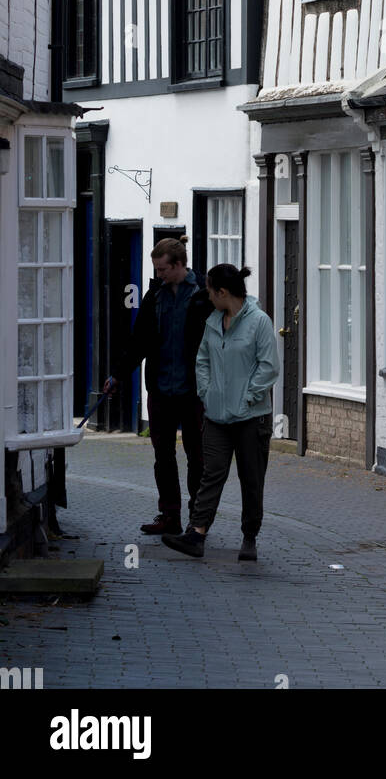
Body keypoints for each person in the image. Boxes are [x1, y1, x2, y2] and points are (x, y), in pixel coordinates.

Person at [161, 264, 280, 563]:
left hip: (252, 418)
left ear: (223, 292)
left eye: (211, 292)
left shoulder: (259, 323)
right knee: (211, 474)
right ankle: (196, 533)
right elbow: (202, 359)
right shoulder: (213, 322)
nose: (208, 298)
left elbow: (269, 367)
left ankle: (249, 537)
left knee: (251, 478)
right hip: (215, 416)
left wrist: (249, 398)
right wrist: (206, 391)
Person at [103, 236, 211, 537]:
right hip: (161, 387)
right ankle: (169, 516)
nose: (159, 274)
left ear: (178, 265)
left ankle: (197, 519)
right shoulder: (155, 296)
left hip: (194, 390)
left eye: (163, 269)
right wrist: (118, 376)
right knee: (162, 455)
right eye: (157, 269)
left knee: (197, 456)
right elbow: (139, 341)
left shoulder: (202, 295)